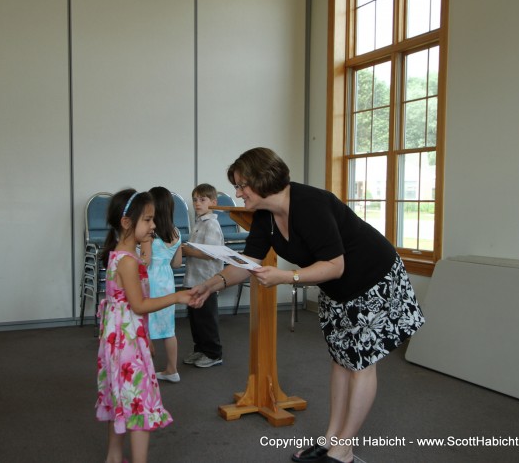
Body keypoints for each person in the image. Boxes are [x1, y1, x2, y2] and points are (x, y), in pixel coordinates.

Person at [189, 147, 425, 463]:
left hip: (374, 277)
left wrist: (287, 278)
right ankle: (331, 440)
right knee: (341, 360)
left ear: (263, 179)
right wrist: (211, 284)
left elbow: (335, 264)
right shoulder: (265, 216)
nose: (237, 192)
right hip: (336, 286)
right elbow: (247, 262)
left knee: (362, 363)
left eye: (242, 185)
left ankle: (344, 450)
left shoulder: (311, 204)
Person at [95, 188, 193, 463]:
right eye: (148, 220)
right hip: (126, 344)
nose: (153, 225)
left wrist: (145, 338)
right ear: (127, 223)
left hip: (122, 339)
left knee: (122, 398)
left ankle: (114, 457)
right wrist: (177, 296)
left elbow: (129, 310)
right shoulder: (127, 261)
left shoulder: (122, 255)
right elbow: (138, 305)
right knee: (140, 401)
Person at [140, 186, 183, 383]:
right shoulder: (176, 232)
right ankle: (172, 370)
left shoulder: (150, 231)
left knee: (145, 322)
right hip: (167, 281)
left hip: (150, 280)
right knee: (168, 328)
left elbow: (145, 260)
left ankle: (146, 371)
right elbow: (176, 263)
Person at [181, 184, 225, 368]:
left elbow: (212, 253)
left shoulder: (212, 224)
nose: (197, 203)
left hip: (207, 280)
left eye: (202, 199)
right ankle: (200, 349)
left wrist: (187, 251)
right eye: (195, 200)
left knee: (206, 319)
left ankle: (214, 353)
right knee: (195, 318)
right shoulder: (199, 222)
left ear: (213, 202)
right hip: (194, 278)